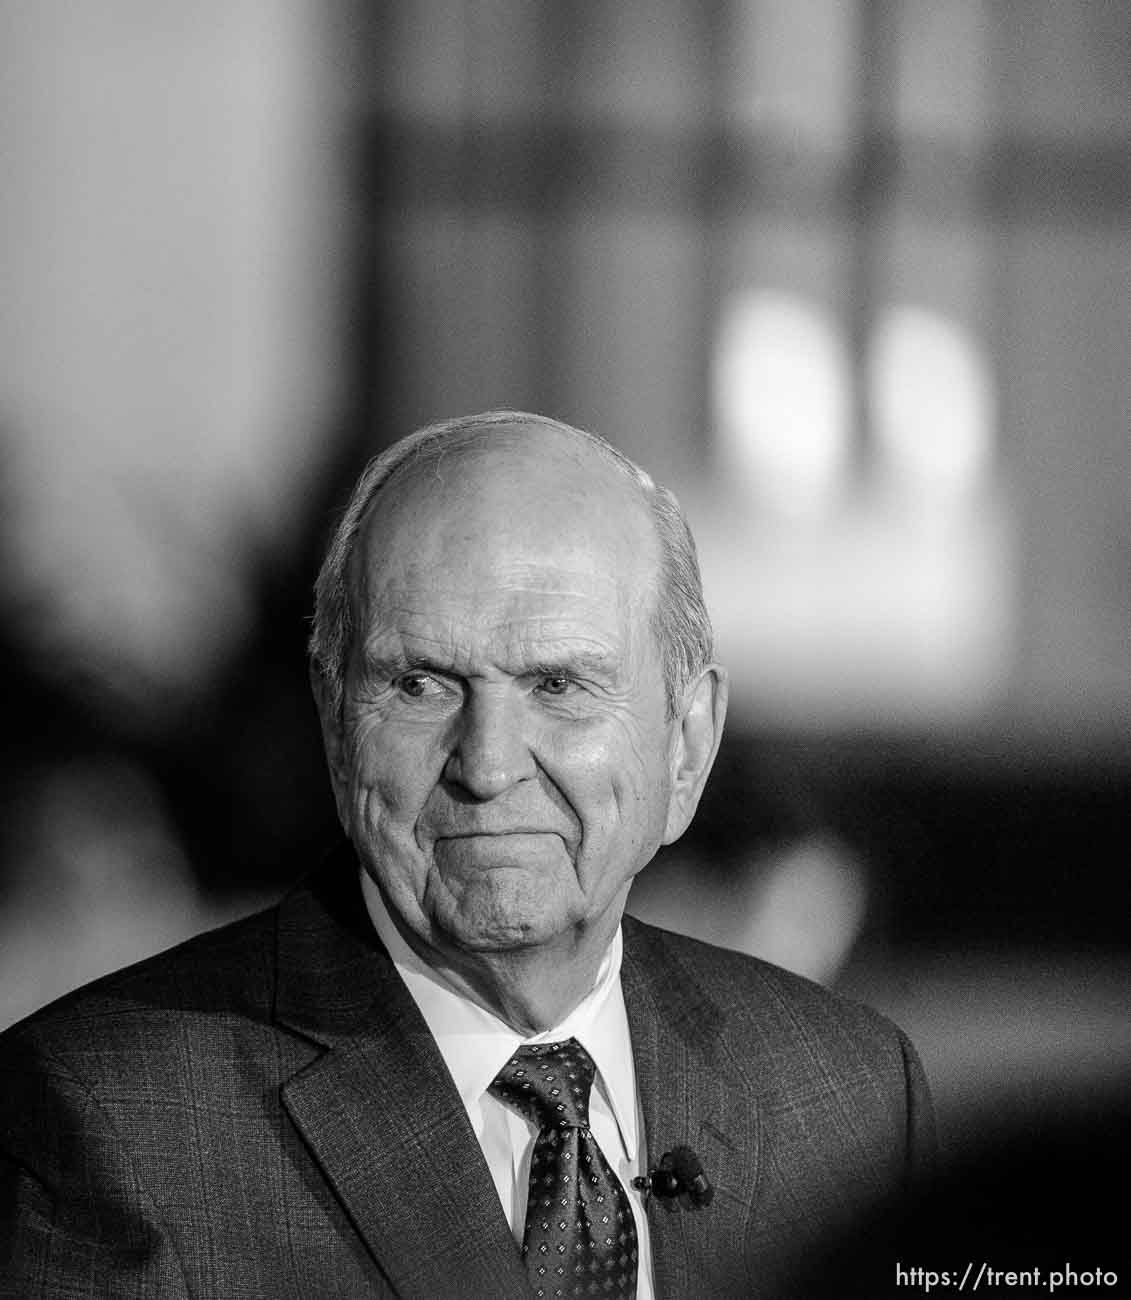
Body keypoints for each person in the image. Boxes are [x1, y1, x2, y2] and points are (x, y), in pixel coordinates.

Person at [0, 411, 934, 1299]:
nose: (487, 765)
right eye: (419, 684)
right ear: (333, 728)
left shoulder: (848, 1094)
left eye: (558, 685)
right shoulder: (112, 1121)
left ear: (687, 744)